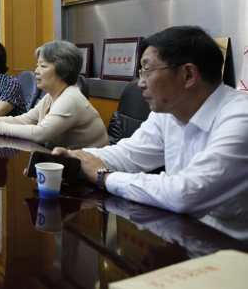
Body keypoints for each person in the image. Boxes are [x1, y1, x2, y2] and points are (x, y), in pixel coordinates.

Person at [53, 26, 248, 215]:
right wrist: (72, 161)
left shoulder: (240, 119)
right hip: (178, 229)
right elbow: (129, 154)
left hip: (222, 237)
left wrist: (104, 176)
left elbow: (185, 194)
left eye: (147, 71)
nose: (141, 83)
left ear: (188, 75)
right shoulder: (168, 111)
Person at [0, 40, 108, 150]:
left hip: (91, 168)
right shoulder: (50, 96)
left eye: (43, 66)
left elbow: (39, 134)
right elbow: (25, 120)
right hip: (67, 162)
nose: (36, 71)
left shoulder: (70, 98)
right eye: (37, 65)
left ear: (63, 71)